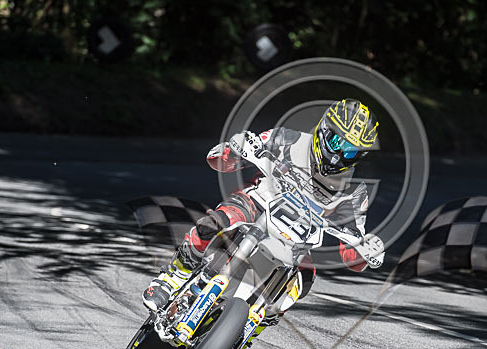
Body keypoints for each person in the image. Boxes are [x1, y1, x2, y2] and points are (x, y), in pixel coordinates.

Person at [142, 98, 384, 326]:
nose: (339, 155)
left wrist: (364, 250)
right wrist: (233, 150)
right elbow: (220, 160)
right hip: (257, 203)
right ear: (324, 130)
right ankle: (173, 276)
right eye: (336, 143)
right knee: (216, 222)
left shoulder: (354, 191)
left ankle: (245, 336)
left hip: (297, 238)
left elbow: (351, 248)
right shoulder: (287, 139)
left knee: (304, 280)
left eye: (350, 151)